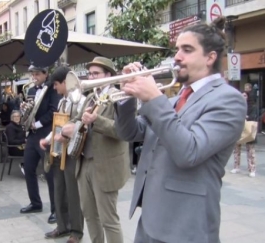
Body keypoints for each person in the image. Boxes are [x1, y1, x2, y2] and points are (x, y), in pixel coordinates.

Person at [114, 17, 246, 243]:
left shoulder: (228, 99)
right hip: (150, 219)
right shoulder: (174, 100)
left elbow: (190, 152)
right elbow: (130, 133)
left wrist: (155, 97)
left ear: (209, 58)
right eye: (177, 49)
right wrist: (127, 96)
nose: (177, 57)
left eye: (187, 49)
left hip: (185, 226)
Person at [58, 57, 130, 243]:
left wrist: (96, 121)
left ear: (108, 75)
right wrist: (69, 127)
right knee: (89, 215)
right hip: (85, 163)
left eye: (96, 73)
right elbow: (79, 119)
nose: (91, 77)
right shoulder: (90, 97)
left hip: (106, 166)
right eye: (90, 73)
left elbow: (122, 131)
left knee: (109, 220)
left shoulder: (120, 96)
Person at [40, 66, 85, 243]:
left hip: (73, 152)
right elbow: (56, 126)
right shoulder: (61, 102)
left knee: (73, 193)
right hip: (59, 152)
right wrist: (48, 139)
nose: (55, 88)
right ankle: (62, 225)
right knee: (59, 191)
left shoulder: (80, 100)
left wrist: (66, 136)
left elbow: (81, 126)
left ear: (65, 83)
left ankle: (76, 231)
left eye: (57, 85)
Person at [20, 65, 61, 225]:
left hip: (46, 134)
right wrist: (24, 110)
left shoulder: (52, 89)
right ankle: (35, 203)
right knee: (28, 169)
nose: (34, 77)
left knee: (50, 173)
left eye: (37, 74)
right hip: (32, 136)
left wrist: (36, 124)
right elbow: (30, 111)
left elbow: (53, 111)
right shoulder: (30, 90)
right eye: (32, 74)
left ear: (46, 74)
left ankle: (55, 210)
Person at [231, 91, 257, 177]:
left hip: (248, 129)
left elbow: (255, 116)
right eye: (242, 95)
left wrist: (246, 116)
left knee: (250, 151)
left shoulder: (252, 107)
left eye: (245, 95)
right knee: (236, 150)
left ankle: (252, 169)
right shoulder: (237, 106)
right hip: (239, 130)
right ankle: (236, 167)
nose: (243, 97)